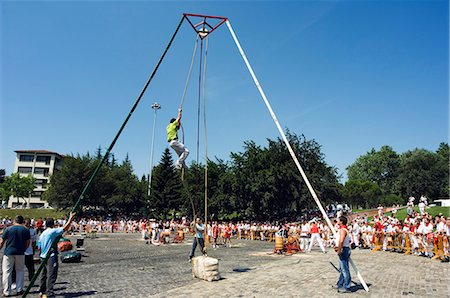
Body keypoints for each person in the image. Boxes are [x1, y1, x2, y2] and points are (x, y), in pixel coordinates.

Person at [38, 212, 76, 298]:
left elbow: (39, 246)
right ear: (53, 224)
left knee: (44, 274)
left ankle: (42, 291)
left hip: (43, 256)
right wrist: (70, 218)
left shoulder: (42, 234)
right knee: (51, 274)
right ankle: (49, 293)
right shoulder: (52, 231)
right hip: (50, 256)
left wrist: (40, 255)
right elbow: (65, 228)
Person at [0, 215, 30, 297]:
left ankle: (6, 291)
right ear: (22, 221)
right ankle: (19, 289)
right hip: (20, 252)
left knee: (7, 271)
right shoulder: (25, 230)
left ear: (14, 221)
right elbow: (28, 242)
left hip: (8, 252)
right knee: (20, 270)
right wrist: (24, 249)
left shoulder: (8, 229)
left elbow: (2, 241)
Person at [334, 216, 352, 293]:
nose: (337, 221)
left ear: (341, 221)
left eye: (338, 220)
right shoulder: (343, 229)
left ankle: (347, 286)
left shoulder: (343, 230)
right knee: (342, 269)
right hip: (344, 249)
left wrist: (339, 249)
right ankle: (340, 284)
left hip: (343, 249)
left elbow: (341, 241)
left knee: (345, 269)